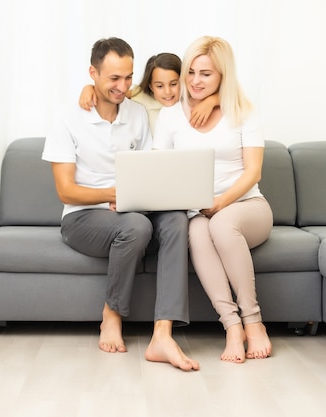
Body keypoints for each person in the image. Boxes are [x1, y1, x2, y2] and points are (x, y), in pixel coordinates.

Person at [42, 37, 199, 371]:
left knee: (175, 219)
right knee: (137, 226)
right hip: (83, 219)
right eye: (114, 78)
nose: (123, 86)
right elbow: (66, 191)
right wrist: (112, 195)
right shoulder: (67, 118)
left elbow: (147, 172)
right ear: (93, 74)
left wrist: (138, 199)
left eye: (128, 77)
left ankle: (163, 333)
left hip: (131, 211)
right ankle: (111, 315)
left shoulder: (137, 114)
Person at [153, 35, 273, 363]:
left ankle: (253, 322)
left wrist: (220, 202)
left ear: (222, 76)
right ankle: (232, 327)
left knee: (220, 224)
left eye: (206, 74)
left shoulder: (243, 112)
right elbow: (158, 167)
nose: (194, 81)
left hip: (247, 207)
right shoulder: (171, 115)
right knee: (196, 231)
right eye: (190, 72)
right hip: (198, 213)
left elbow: (253, 172)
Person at [78, 52, 219, 134]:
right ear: (151, 86)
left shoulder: (192, 96)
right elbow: (112, 93)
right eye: (159, 86)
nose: (168, 92)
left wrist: (211, 101)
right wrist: (89, 88)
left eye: (174, 84)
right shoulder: (141, 95)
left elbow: (230, 96)